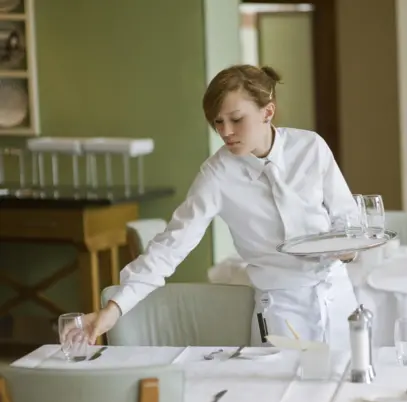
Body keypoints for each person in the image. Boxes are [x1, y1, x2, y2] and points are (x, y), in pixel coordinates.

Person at [81, 64, 360, 349]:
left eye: (236, 119)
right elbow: (171, 246)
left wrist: (348, 251)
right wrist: (113, 309)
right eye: (218, 122)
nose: (225, 132)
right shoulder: (217, 174)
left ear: (267, 112)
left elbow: (347, 219)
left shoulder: (311, 147)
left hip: (337, 296)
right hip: (281, 310)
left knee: (349, 385)